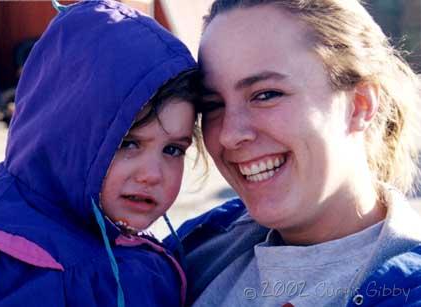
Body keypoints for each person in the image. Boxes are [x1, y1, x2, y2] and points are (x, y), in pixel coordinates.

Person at [166, 0, 421, 306]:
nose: (230, 134)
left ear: (360, 105)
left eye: (266, 95)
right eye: (212, 104)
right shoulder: (196, 247)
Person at [0, 1, 200, 306]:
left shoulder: (82, 221)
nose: (152, 175)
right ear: (63, 130)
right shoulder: (25, 272)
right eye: (128, 143)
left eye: (173, 149)